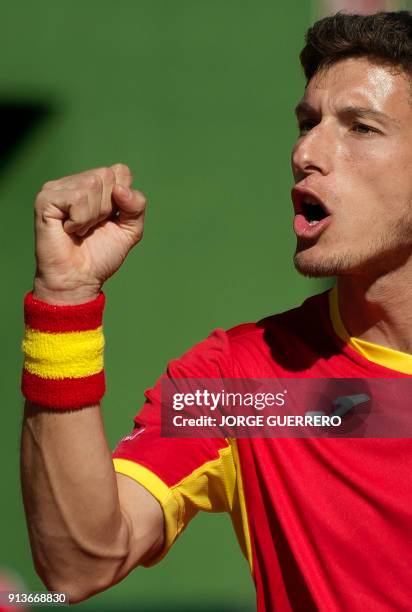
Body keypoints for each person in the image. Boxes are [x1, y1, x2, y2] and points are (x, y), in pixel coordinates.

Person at [20, 11, 412, 611]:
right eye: (307, 123)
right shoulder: (247, 385)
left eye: (361, 128)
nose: (306, 151)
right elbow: (79, 563)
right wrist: (63, 303)